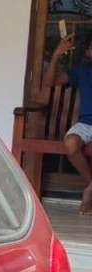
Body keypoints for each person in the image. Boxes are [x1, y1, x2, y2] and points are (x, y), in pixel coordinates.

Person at [45, 33, 92, 213]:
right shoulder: (81, 71)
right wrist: (56, 55)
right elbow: (50, 83)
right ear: (88, 52)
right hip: (86, 124)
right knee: (71, 143)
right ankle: (91, 185)